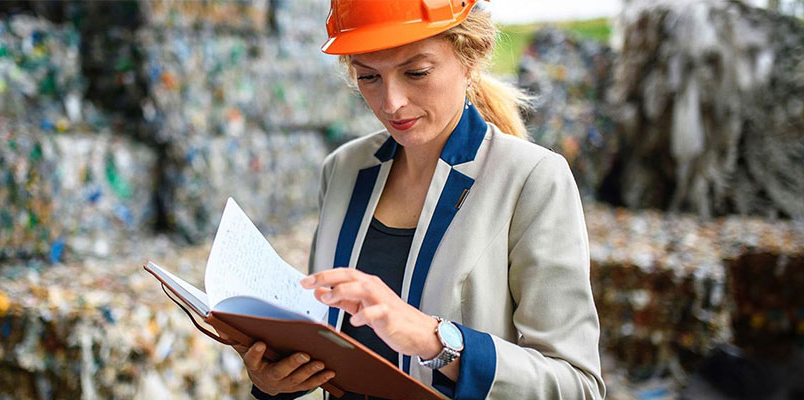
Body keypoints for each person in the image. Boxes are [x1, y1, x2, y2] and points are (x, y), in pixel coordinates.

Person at [233, 0, 606, 398]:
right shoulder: (343, 170)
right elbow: (331, 343)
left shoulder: (532, 180)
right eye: (368, 76)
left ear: (470, 57)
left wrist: (435, 341)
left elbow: (576, 384)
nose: (391, 102)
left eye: (416, 72)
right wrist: (275, 381)